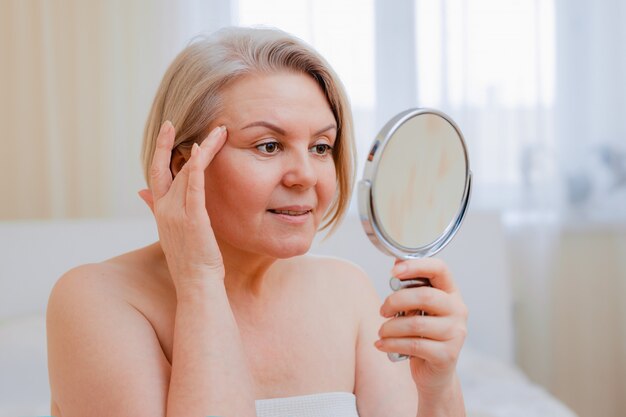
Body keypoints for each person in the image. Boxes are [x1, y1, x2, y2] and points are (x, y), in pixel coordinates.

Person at [46, 27, 468, 417]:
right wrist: (199, 283)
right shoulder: (94, 300)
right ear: (184, 165)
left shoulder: (348, 292)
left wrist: (438, 388)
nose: (305, 174)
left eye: (321, 147)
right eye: (269, 145)